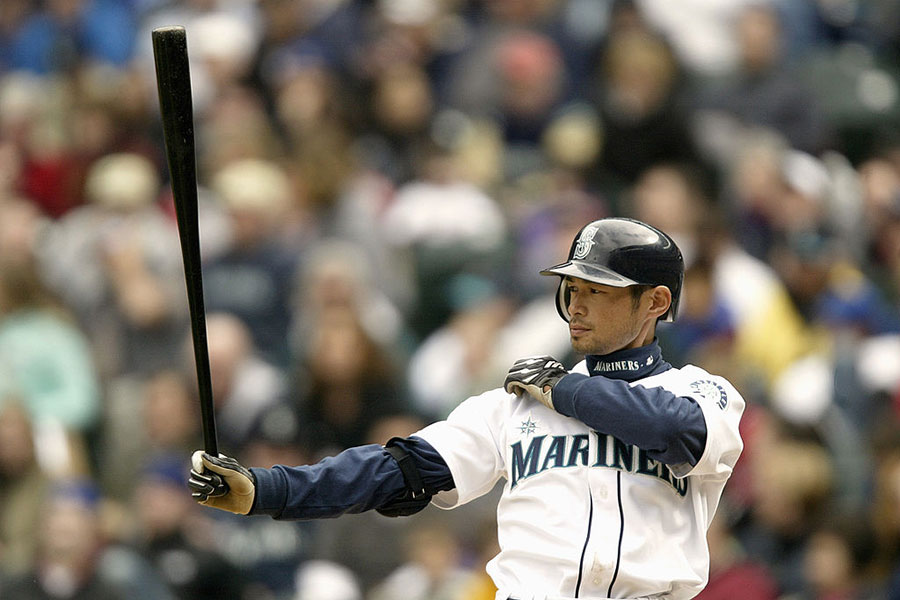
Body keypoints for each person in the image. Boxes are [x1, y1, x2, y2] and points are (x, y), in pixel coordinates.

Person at [188, 217, 746, 600]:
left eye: (596, 291)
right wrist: (270, 490)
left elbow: (677, 432)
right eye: (572, 289)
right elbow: (398, 470)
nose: (575, 305)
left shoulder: (704, 392)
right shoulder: (513, 407)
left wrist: (567, 391)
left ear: (656, 301)